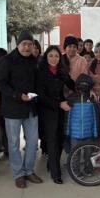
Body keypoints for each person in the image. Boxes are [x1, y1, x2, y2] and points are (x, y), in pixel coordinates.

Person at [0, 32, 42, 189]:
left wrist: (36, 95)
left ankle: (29, 170)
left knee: (33, 142)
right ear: (18, 45)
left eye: (30, 44)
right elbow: (0, 83)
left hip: (31, 108)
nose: (27, 47)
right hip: (12, 109)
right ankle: (18, 174)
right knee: (14, 143)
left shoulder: (34, 61)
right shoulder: (7, 60)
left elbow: (38, 82)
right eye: (24, 44)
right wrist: (17, 95)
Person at [36, 45, 73, 184]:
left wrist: (87, 89)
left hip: (60, 111)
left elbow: (72, 84)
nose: (53, 58)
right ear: (46, 57)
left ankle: (51, 164)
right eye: (50, 55)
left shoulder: (62, 71)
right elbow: (41, 96)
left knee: (60, 139)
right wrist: (58, 104)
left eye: (56, 56)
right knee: (52, 140)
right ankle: (55, 173)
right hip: (47, 110)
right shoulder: (40, 72)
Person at [65, 74, 100, 159]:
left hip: (89, 134)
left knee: (88, 156)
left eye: (86, 84)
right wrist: (67, 132)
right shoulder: (71, 99)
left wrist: (96, 132)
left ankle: (87, 167)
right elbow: (67, 117)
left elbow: (96, 117)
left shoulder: (92, 99)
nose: (83, 86)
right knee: (74, 157)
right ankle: (74, 168)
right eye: (82, 83)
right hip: (74, 135)